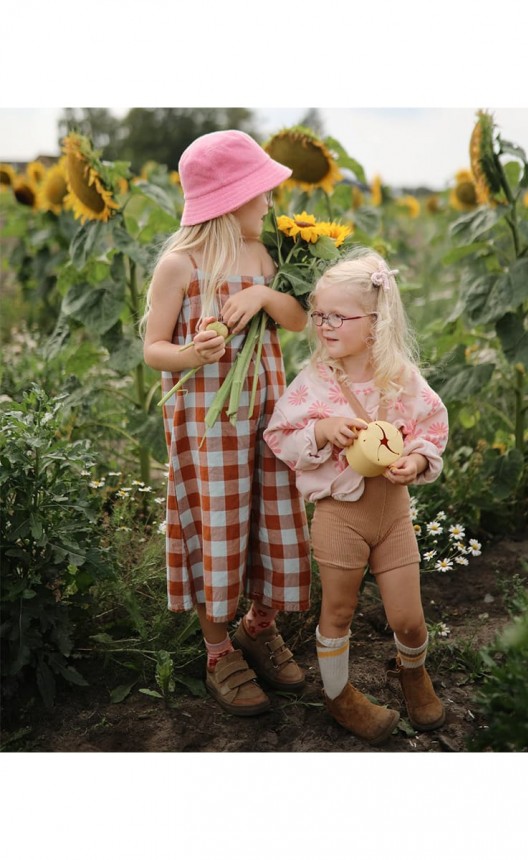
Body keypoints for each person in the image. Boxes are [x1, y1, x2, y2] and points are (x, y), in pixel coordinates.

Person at [142, 130, 311, 716]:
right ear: (230, 199)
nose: (269, 202)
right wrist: (193, 354)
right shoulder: (180, 266)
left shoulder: (263, 257)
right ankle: (218, 650)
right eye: (261, 192)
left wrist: (266, 293)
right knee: (219, 528)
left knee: (272, 521)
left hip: (266, 418)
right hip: (209, 431)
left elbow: (296, 321)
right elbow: (153, 348)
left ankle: (257, 627)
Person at [264, 247, 450, 744]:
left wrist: (416, 459)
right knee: (339, 611)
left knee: (408, 619)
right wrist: (321, 429)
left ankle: (412, 672)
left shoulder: (402, 381)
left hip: (391, 514)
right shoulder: (315, 383)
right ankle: (338, 693)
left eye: (337, 316)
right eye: (319, 314)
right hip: (339, 515)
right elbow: (280, 436)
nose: (323, 325)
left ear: (374, 322)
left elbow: (432, 426)